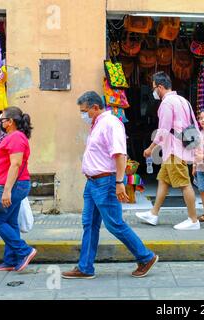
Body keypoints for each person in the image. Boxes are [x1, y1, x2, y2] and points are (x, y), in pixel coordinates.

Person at [62, 91, 158, 279]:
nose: (83, 115)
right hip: (92, 183)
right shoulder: (97, 124)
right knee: (89, 224)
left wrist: (119, 182)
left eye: (84, 111)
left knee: (114, 224)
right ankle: (85, 267)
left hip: (105, 182)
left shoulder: (111, 123)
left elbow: (120, 155)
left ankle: (145, 257)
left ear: (95, 107)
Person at [136, 72, 201, 231]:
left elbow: (163, 131)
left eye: (153, 88)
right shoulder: (183, 100)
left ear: (160, 87)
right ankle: (153, 213)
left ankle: (193, 220)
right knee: (163, 180)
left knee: (184, 184)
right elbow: (194, 125)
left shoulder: (166, 103)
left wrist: (150, 148)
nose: (153, 92)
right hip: (181, 147)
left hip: (174, 150)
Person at [0, 106, 36, 272]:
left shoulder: (16, 137)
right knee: (10, 222)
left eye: (1, 119)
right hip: (14, 185)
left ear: (9, 122)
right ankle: (10, 260)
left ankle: (25, 251)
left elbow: (15, 164)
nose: (0, 122)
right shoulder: (13, 136)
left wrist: (7, 190)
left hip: (14, 186)